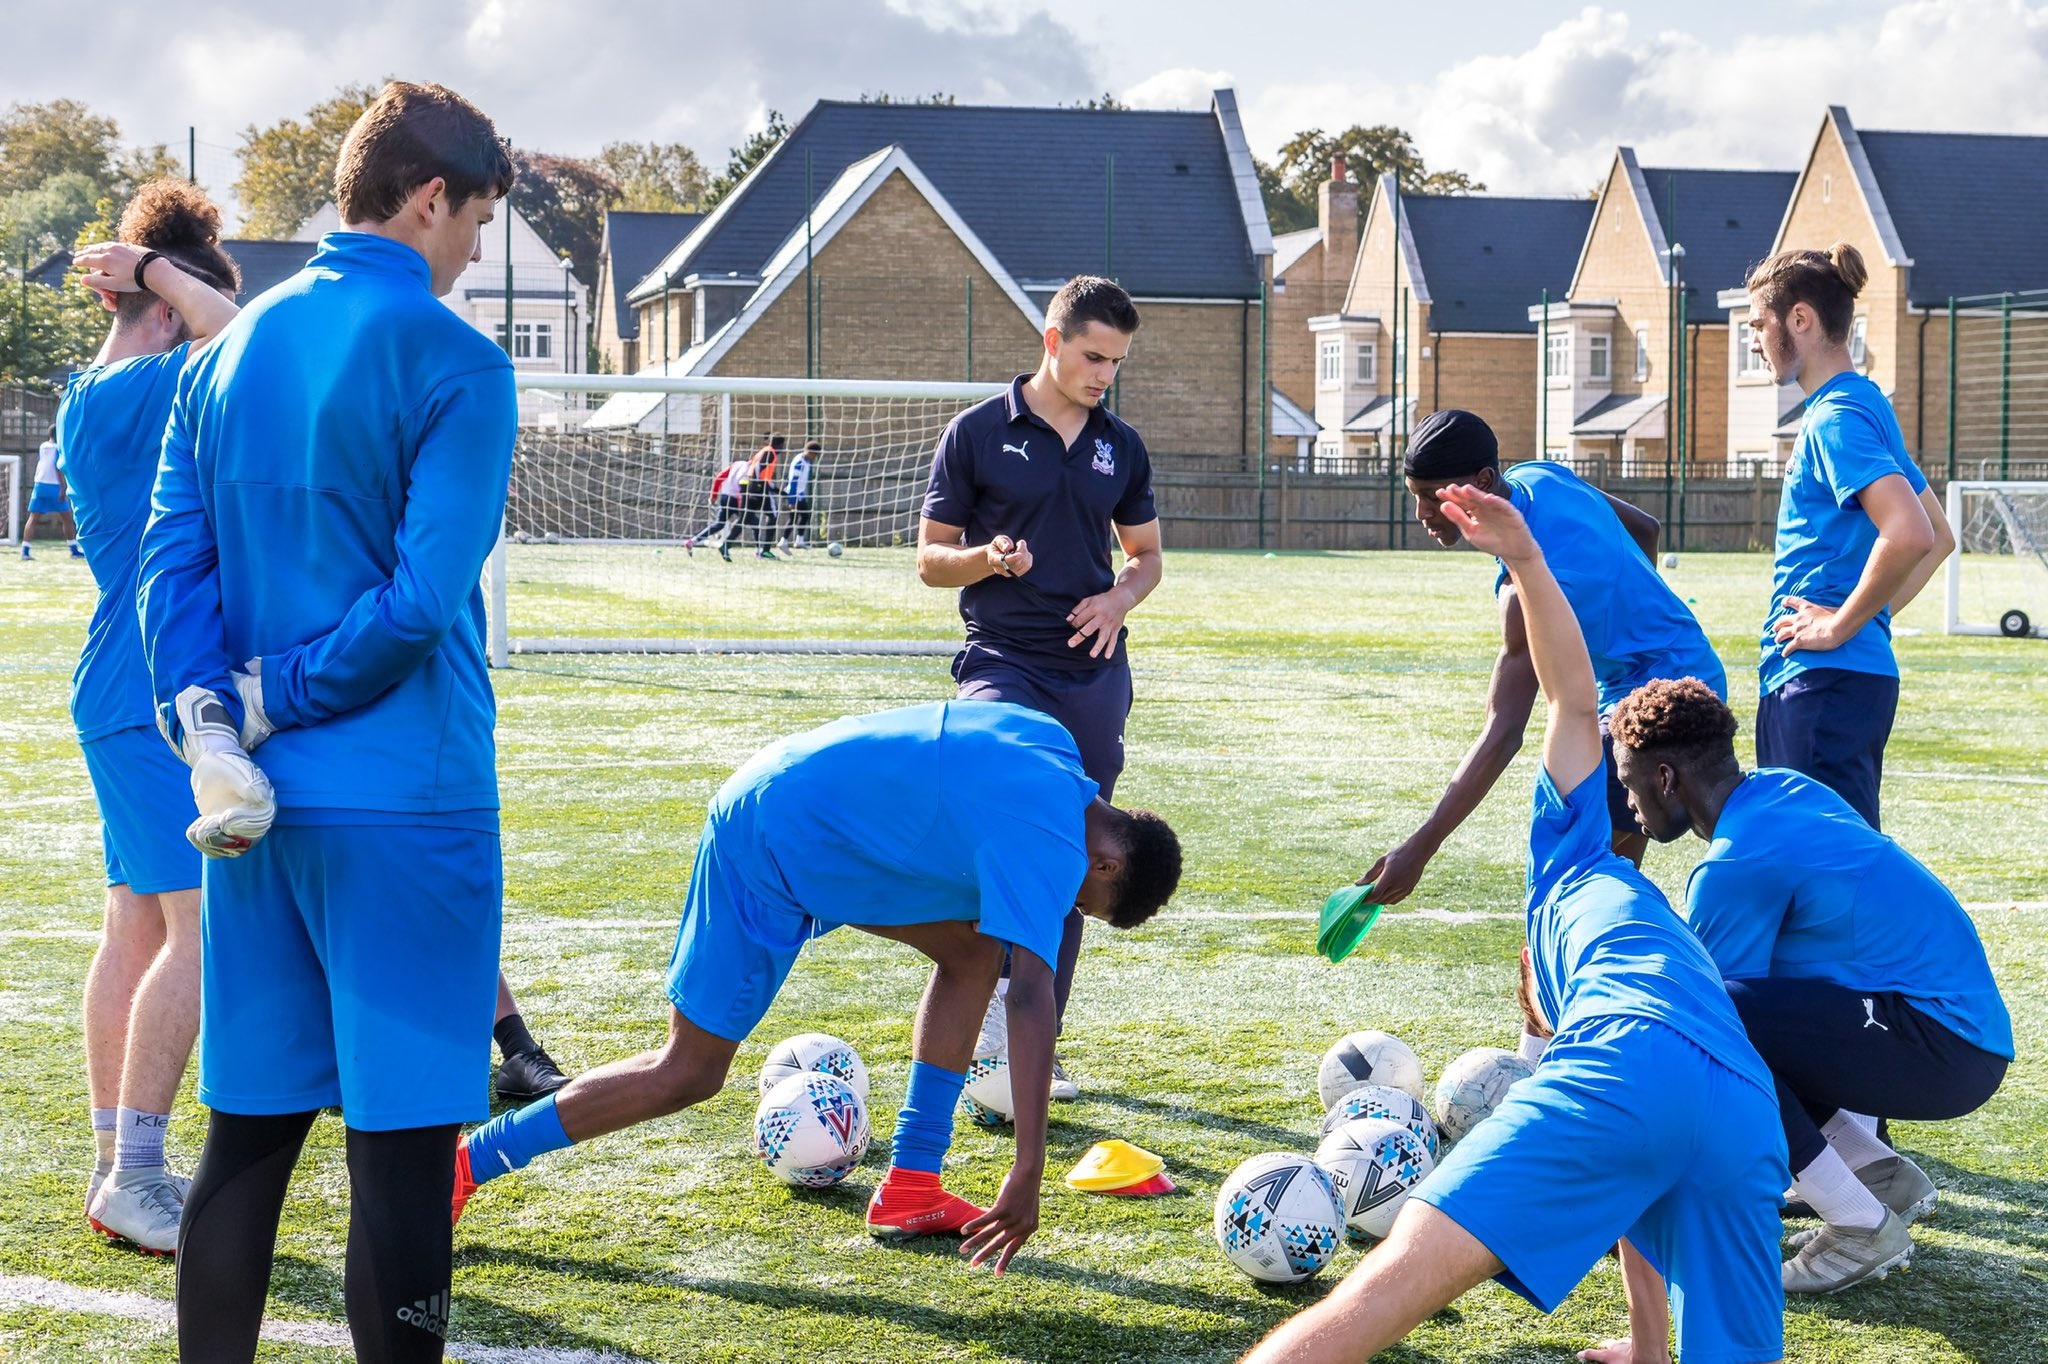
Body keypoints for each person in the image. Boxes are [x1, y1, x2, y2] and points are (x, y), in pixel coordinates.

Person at [137, 81, 517, 1362]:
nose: (473, 251)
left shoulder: (223, 351)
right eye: (475, 222)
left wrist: (212, 722)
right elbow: (419, 603)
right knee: (403, 1160)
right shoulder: (458, 357)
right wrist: (264, 695)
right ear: (428, 200)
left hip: (254, 809)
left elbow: (166, 570)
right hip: (407, 804)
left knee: (248, 1136)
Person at [1245, 483, 1785, 1364]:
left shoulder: (1568, 851)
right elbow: (1643, 1168)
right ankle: (1654, 1351)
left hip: (1629, 1059)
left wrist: (1528, 561)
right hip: (1743, 1099)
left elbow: (1571, 700)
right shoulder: (1662, 918)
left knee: (1378, 1298)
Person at [452, 701, 1182, 1274]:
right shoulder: (1056, 841)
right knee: (688, 1072)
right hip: (770, 837)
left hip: (814, 811)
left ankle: (912, 1186)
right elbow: (1029, 997)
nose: (1066, 909)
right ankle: (467, 1165)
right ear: (1108, 865)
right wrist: (1028, 1168)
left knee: (970, 953)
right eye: (1081, 904)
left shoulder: (1056, 752)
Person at [1609, 675, 2011, 1294]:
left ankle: (1859, 1226)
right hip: (1963, 1034)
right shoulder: (1783, 788)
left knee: (1714, 1026)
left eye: (1630, 784)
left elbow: (1701, 1020)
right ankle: (1876, 1176)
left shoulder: (1735, 865)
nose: (1630, 804)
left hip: (1943, 1049)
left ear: (1665, 779)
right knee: (1748, 1020)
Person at [917, 276, 1163, 1099]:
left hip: (1092, 673)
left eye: (1117, 363)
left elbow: (1147, 555)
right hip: (1001, 665)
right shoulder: (977, 433)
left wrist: (1119, 598)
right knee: (994, 832)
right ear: (1051, 340)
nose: (1105, 375)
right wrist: (988, 558)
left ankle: (1032, 1048)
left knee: (1071, 857)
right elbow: (929, 559)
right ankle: (977, 1024)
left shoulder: (1120, 446)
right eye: (1094, 356)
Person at [58, 183, 243, 1254]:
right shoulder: (161, 379)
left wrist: (155, 275)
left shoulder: (96, 387)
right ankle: (133, 1170)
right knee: (197, 928)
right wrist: (168, 273)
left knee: (132, 923)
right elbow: (252, 337)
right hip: (143, 694)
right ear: (166, 305)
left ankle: (113, 1161)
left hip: (114, 690)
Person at [1360, 409, 1724, 910]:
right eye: (1415, 495)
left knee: (1573, 882)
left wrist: (1422, 846)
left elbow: (1504, 730)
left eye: (1432, 496)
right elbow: (1645, 528)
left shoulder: (1525, 591)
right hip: (1694, 672)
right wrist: (1627, 618)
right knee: (1612, 872)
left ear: (1483, 482)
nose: (1421, 512)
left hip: (1655, 708)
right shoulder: (1539, 475)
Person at [1746, 243, 1953, 830]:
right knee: (1827, 874)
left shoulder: (1837, 415)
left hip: (1822, 685)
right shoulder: (1862, 405)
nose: (1756, 340)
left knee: (1822, 880)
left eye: (1760, 324)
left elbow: (1912, 533)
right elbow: (1939, 536)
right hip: (1841, 679)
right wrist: (1864, 619)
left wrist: (1839, 624)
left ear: (1800, 319)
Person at [22, 424, 84, 559]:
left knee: (33, 518)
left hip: (39, 485)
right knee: (67, 518)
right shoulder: (59, 448)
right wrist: (63, 488)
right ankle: (74, 550)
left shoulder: (43, 446)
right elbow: (58, 468)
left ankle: (25, 551)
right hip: (54, 486)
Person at [685, 453, 748, 561]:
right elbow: (742, 488)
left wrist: (713, 496)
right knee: (751, 521)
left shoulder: (736, 464)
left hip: (725, 497)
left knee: (719, 524)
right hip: (735, 499)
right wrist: (741, 504)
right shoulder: (750, 469)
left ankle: (693, 541)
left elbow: (719, 477)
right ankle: (761, 551)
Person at [742, 433, 784, 559]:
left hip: (753, 485)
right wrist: (761, 483)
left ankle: (759, 549)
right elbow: (758, 469)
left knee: (747, 517)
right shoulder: (770, 453)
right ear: (780, 445)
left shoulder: (763, 451)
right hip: (760, 487)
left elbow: (752, 466)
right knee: (773, 514)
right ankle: (765, 550)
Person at [778, 438, 817, 550]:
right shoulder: (800, 462)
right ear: (810, 453)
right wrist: (792, 500)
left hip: (799, 493)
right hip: (794, 493)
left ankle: (799, 541)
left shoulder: (806, 461)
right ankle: (783, 541)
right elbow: (794, 480)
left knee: (804, 516)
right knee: (793, 518)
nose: (815, 458)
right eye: (814, 455)